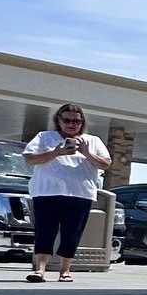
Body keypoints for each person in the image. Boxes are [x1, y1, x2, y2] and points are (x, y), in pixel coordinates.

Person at [22, 102, 111, 282]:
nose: (71, 124)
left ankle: (65, 271)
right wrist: (56, 152)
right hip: (46, 193)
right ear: (59, 121)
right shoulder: (45, 137)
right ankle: (40, 270)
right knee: (45, 231)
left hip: (80, 194)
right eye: (67, 120)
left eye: (76, 121)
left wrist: (86, 152)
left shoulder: (92, 141)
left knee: (72, 233)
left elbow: (106, 163)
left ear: (82, 122)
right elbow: (29, 158)